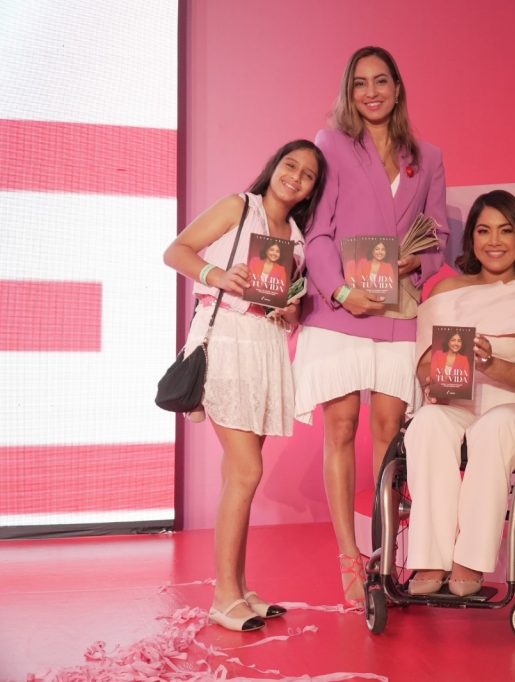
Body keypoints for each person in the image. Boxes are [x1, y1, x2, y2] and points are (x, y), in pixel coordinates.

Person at [293, 45, 448, 604]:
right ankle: (348, 557)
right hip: (340, 309)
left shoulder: (427, 157)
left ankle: (384, 553)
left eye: (381, 81)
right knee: (340, 429)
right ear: (348, 91)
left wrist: (414, 261)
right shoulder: (330, 144)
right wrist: (340, 290)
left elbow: (439, 235)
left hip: (398, 309)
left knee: (389, 432)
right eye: (360, 83)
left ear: (397, 87)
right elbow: (317, 231)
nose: (372, 92)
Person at [163, 139, 326, 631]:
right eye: (290, 165)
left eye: (308, 175)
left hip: (265, 348)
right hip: (227, 343)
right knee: (247, 471)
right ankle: (224, 596)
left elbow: (289, 307)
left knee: (238, 476)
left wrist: (290, 308)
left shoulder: (296, 236)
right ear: (274, 166)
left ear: (312, 190)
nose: (295, 176)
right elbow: (176, 251)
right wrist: (217, 274)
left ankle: (237, 586)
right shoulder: (239, 206)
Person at [405, 190, 515, 597]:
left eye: (505, 231)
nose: (494, 241)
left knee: (495, 425)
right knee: (426, 422)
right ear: (472, 239)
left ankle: (470, 561)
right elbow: (424, 364)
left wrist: (493, 364)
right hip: (460, 404)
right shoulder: (446, 291)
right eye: (483, 231)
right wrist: (433, 381)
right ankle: (429, 558)